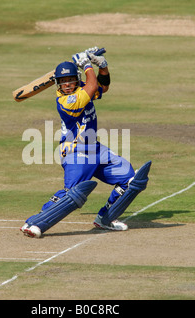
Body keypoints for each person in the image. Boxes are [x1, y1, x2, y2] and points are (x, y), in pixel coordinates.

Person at [21, 47, 151, 238]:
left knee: (129, 178)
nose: (66, 84)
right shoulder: (66, 101)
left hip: (95, 149)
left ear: (76, 78)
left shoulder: (82, 86)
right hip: (76, 152)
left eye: (70, 79)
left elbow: (102, 87)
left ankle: (105, 218)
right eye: (63, 81)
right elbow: (90, 88)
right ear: (57, 84)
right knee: (72, 195)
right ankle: (34, 221)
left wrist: (103, 67)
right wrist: (87, 64)